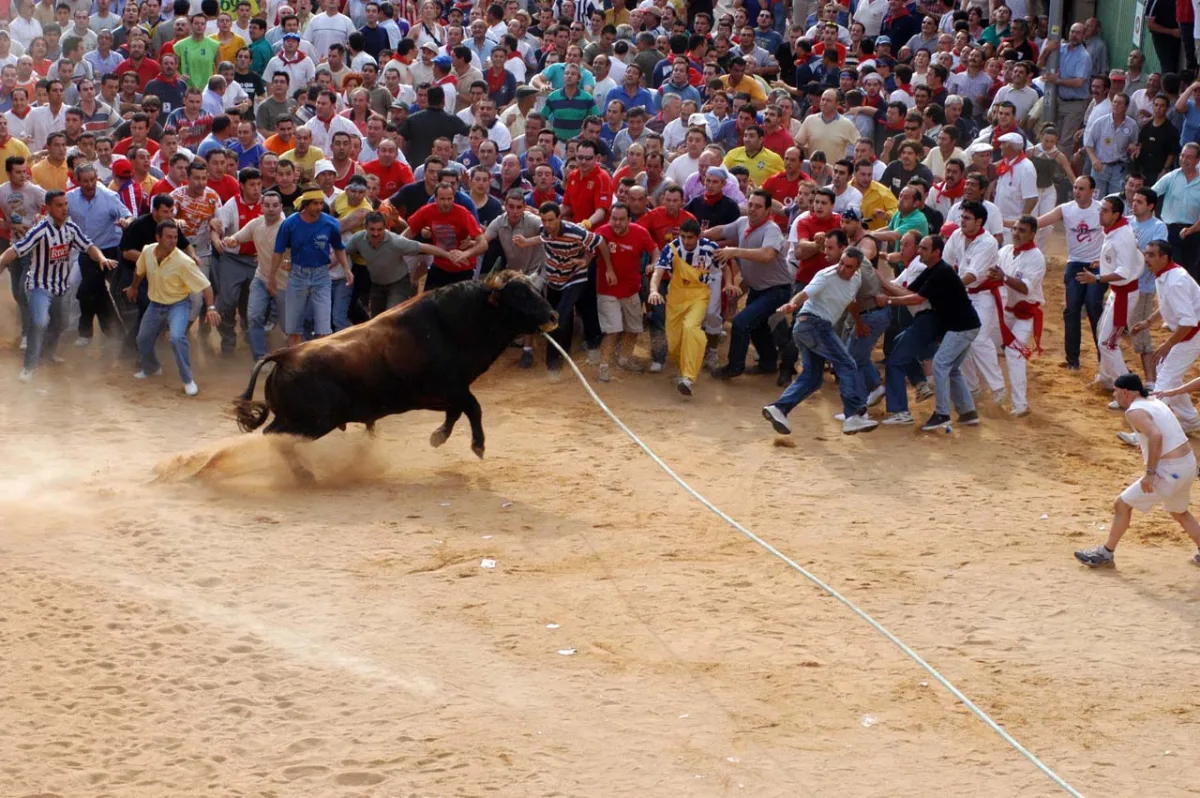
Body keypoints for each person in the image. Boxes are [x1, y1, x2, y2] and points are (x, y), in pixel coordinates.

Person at [1074, 373, 1200, 568]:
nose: (1114, 395)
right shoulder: (1153, 401)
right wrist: (1146, 445)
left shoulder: (1134, 411)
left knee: (1122, 505)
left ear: (1125, 392)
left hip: (1169, 471)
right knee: (1179, 511)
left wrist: (1150, 474)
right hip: (1188, 464)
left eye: (1115, 391)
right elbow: (1163, 432)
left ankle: (1105, 553)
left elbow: (1156, 436)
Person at [0, 190, 116, 382]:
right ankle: (29, 367)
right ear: (48, 208)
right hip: (39, 285)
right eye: (59, 205)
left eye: (65, 204)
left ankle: (47, 353)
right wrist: (2, 262)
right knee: (39, 322)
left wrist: (102, 258)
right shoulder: (40, 230)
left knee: (61, 323)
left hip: (61, 286)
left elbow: (89, 246)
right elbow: (15, 249)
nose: (64, 209)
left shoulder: (71, 228)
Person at [761, 246, 878, 435]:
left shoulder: (856, 279)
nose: (842, 268)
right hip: (814, 324)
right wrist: (792, 304)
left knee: (813, 378)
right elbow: (804, 294)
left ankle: (779, 409)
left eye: (848, 266)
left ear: (857, 268)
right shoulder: (826, 275)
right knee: (847, 364)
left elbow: (851, 302)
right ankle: (853, 415)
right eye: (841, 263)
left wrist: (858, 323)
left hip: (809, 328)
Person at [878, 233, 983, 431]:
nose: (920, 251)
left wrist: (889, 299)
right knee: (952, 368)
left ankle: (942, 414)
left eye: (924, 248)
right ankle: (968, 412)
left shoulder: (941, 271)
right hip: (963, 326)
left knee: (941, 365)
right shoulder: (931, 269)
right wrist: (885, 286)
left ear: (936, 252)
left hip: (961, 328)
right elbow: (911, 292)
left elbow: (917, 299)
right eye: (920, 247)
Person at [126, 219, 219, 396]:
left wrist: (211, 308)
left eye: (175, 237)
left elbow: (206, 286)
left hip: (178, 305)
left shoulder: (184, 261)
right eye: (168, 237)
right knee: (142, 339)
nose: (173, 241)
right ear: (158, 238)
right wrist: (133, 287)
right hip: (155, 304)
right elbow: (139, 271)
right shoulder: (147, 251)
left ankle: (188, 380)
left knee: (176, 338)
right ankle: (152, 368)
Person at [709, 190, 794, 380]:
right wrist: (701, 234)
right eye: (750, 205)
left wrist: (735, 251)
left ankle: (734, 367)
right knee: (756, 325)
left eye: (758, 206)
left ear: (768, 211)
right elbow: (721, 230)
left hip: (777, 290)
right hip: (758, 288)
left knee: (741, 322)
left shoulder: (771, 229)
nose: (752, 209)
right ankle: (768, 363)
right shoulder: (742, 222)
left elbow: (767, 255)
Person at [647, 218, 727, 396]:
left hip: (699, 296)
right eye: (683, 236)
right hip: (676, 298)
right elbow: (658, 272)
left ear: (698, 237)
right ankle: (683, 371)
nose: (686, 241)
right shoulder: (672, 248)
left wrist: (728, 284)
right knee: (674, 343)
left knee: (691, 328)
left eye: (690, 237)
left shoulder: (710, 247)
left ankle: (688, 377)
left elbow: (724, 265)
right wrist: (653, 291)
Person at [1131, 241, 1200, 434]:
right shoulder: (1165, 275)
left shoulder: (1175, 281)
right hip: (1190, 331)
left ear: (1164, 258)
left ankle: (1147, 430)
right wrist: (1148, 322)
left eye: (1151, 255)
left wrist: (1168, 344)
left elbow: (1188, 322)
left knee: (1165, 379)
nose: (1146, 259)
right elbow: (1167, 305)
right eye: (1146, 254)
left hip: (1194, 333)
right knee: (1169, 375)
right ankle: (1190, 420)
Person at [1076, 195, 1144, 389]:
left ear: (1116, 215)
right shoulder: (1115, 230)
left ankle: (1127, 388)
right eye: (1101, 209)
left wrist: (1097, 278)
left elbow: (1123, 272)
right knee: (1103, 336)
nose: (1101, 213)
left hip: (1124, 294)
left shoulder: (1122, 236)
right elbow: (1121, 258)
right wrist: (1103, 263)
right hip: (1118, 292)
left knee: (1108, 343)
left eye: (1105, 211)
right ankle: (1106, 378)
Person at [1038, 175, 1105, 371]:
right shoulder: (1065, 209)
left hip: (1097, 264)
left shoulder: (1102, 209)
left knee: (1093, 306)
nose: (1076, 191)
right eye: (1075, 188)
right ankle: (1072, 360)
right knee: (1072, 309)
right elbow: (1038, 222)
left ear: (1092, 191)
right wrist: (1008, 223)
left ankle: (1105, 359)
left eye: (1081, 188)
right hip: (1075, 263)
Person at [270, 186, 350, 346]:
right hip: (297, 274)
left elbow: (339, 248)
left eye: (321, 203)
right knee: (293, 328)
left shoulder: (330, 223)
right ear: (305, 204)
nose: (319, 207)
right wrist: (271, 276)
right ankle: (296, 358)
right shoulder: (290, 223)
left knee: (324, 329)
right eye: (315, 203)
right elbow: (278, 251)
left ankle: (319, 360)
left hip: (322, 275)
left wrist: (347, 269)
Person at [347, 211, 459, 316]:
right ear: (365, 227)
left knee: (392, 316)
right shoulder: (358, 239)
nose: (376, 233)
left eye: (379, 230)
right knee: (377, 318)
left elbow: (424, 247)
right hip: (377, 284)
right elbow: (342, 250)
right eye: (372, 229)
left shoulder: (396, 241)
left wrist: (448, 255)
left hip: (398, 284)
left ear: (385, 228)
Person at [592, 202, 657, 381]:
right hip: (607, 290)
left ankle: (624, 359)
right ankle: (604, 366)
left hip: (631, 290)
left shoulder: (640, 232)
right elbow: (589, 252)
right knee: (612, 331)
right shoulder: (601, 233)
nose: (617, 223)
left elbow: (655, 250)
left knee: (634, 329)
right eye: (614, 219)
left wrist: (654, 263)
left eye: (621, 219)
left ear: (629, 220)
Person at [221, 189, 285, 362]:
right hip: (261, 278)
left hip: (284, 282)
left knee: (289, 325)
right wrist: (230, 240)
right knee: (254, 317)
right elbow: (237, 237)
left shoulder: (288, 227)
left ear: (281, 207)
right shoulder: (256, 224)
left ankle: (291, 357)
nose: (271, 209)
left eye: (275, 205)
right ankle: (261, 358)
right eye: (267, 205)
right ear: (261, 207)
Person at [995, 215, 1046, 417]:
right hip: (1003, 312)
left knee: (1013, 353)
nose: (1016, 233)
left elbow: (1025, 288)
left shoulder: (1036, 257)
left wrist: (1003, 277)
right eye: (1015, 229)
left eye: (1022, 230)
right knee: (980, 344)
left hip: (1024, 314)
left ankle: (1020, 405)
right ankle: (980, 392)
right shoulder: (1005, 251)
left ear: (1033, 234)